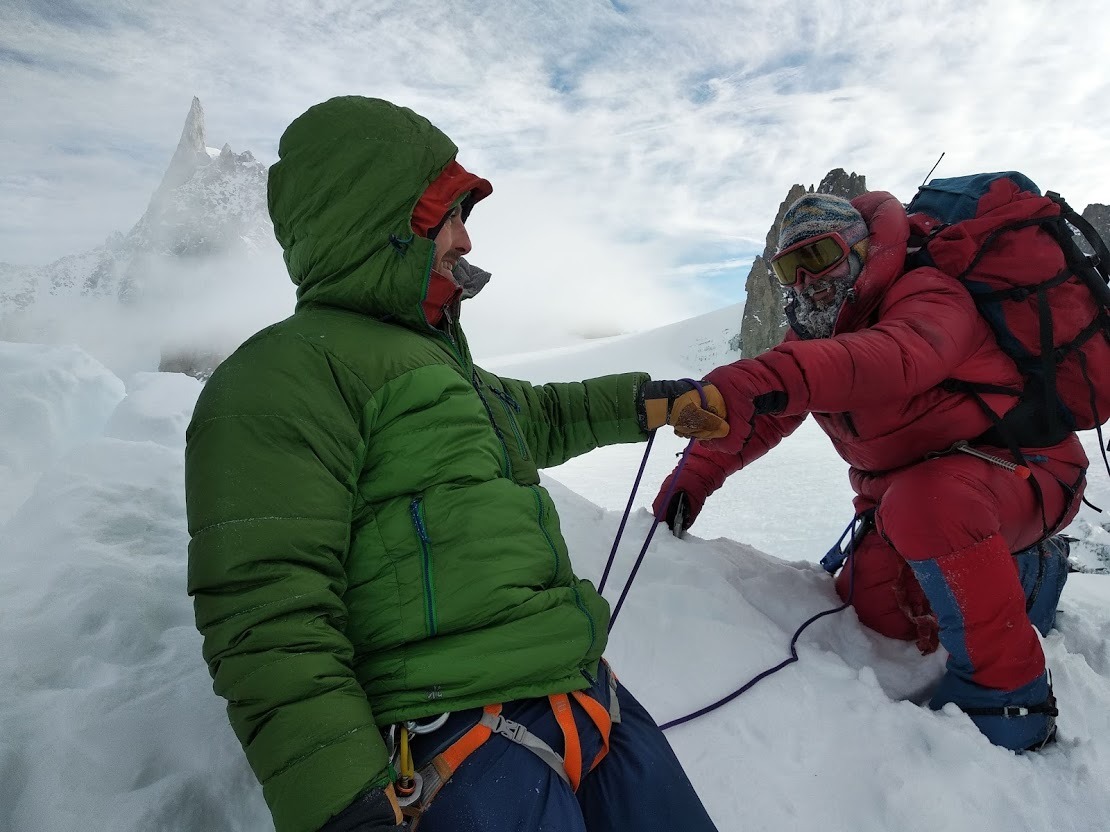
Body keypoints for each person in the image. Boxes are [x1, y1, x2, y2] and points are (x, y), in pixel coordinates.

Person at [184, 95, 721, 832]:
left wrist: (651, 403)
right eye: (447, 216)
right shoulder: (283, 375)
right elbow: (265, 609)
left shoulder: (445, 367)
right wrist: (343, 804)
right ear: (378, 224)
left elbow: (546, 414)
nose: (466, 241)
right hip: (453, 745)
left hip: (590, 696)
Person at [653, 191, 1087, 752]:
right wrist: (688, 485)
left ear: (860, 249)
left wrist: (761, 376)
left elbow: (899, 356)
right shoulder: (814, 331)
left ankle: (1012, 696)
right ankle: (998, 585)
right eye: (791, 267)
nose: (806, 281)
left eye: (820, 257)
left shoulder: (928, 292)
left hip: (1026, 470)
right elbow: (764, 414)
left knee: (929, 508)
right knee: (874, 604)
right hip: (911, 501)